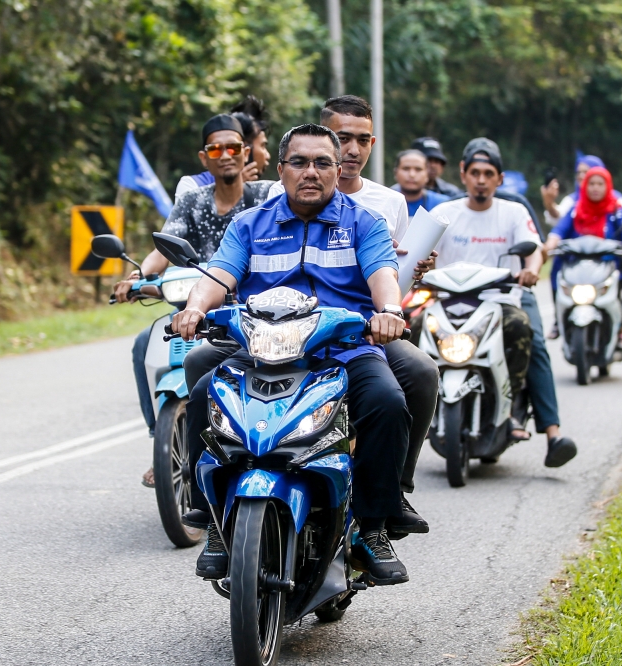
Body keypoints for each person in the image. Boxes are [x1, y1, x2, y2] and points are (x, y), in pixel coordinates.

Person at [173, 123, 412, 584]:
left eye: (323, 163)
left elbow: (384, 273)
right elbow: (219, 275)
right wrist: (194, 308)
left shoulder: (365, 223)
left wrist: (387, 311)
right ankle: (215, 521)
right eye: (299, 162)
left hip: (343, 350)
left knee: (387, 402)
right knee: (204, 391)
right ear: (280, 169)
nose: (311, 172)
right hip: (260, 352)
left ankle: (373, 527)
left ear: (337, 169)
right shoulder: (249, 224)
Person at [260, 97, 437, 537]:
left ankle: (391, 491)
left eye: (362, 140)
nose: (353, 149)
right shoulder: (267, 205)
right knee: (201, 366)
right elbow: (239, 264)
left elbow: (386, 279)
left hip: (359, 328)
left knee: (417, 374)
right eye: (344, 139)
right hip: (276, 333)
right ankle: (212, 505)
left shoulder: (384, 206)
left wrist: (402, 292)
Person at [116, 114, 273, 487]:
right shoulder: (191, 201)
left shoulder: (264, 196)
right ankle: (165, 442)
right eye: (216, 149)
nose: (225, 155)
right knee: (143, 345)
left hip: (247, 309)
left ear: (245, 151)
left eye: (232, 148)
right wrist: (139, 276)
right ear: (205, 158)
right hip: (192, 307)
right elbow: (164, 248)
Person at [430, 138, 577, 467]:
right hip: (449, 303)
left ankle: (541, 427)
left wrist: (530, 271)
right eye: (475, 172)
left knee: (528, 333)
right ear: (463, 174)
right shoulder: (442, 214)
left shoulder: (514, 211)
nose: (481, 179)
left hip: (503, 301)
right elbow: (416, 254)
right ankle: (415, 416)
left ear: (499, 178)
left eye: (489, 173)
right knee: (408, 335)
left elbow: (535, 250)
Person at [543, 166, 622, 354]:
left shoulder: (615, 209)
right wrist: (549, 245)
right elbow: (558, 231)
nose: (595, 188)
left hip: (607, 265)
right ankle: (559, 319)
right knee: (558, 274)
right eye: (591, 184)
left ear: (608, 186)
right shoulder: (575, 209)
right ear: (584, 186)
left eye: (600, 184)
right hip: (577, 266)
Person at [177, 96, 272, 196]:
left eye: (232, 147)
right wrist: (233, 191)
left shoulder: (269, 193)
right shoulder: (191, 186)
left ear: (246, 153)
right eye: (263, 146)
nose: (225, 156)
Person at [393, 149, 450, 218]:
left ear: (427, 174)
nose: (412, 174)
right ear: (396, 173)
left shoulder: (443, 205)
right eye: (406, 169)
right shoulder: (385, 203)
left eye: (418, 169)